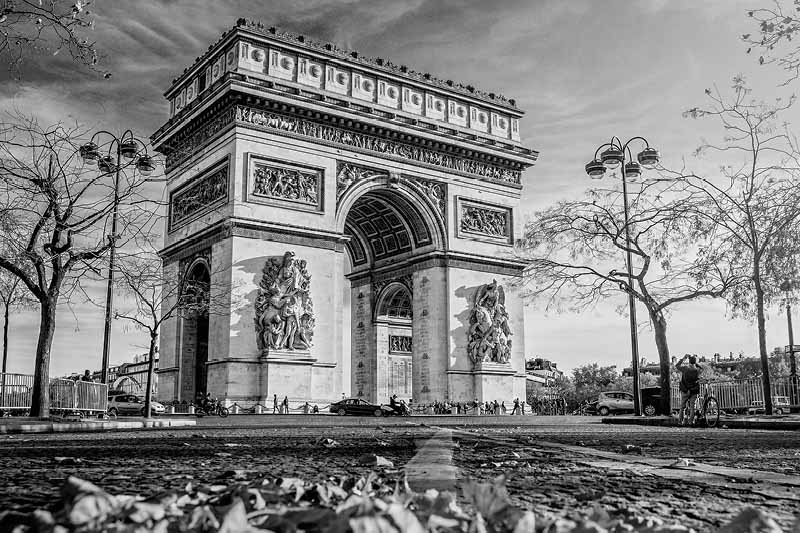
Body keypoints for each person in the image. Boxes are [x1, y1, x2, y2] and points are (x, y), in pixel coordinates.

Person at [677, 355, 701, 426]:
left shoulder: (685, 369)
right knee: (692, 407)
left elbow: (677, 365)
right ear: (695, 362)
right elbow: (701, 368)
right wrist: (696, 363)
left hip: (685, 390)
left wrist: (684, 358)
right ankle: (691, 422)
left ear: (689, 362)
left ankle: (680, 422)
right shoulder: (697, 371)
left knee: (682, 407)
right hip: (693, 391)